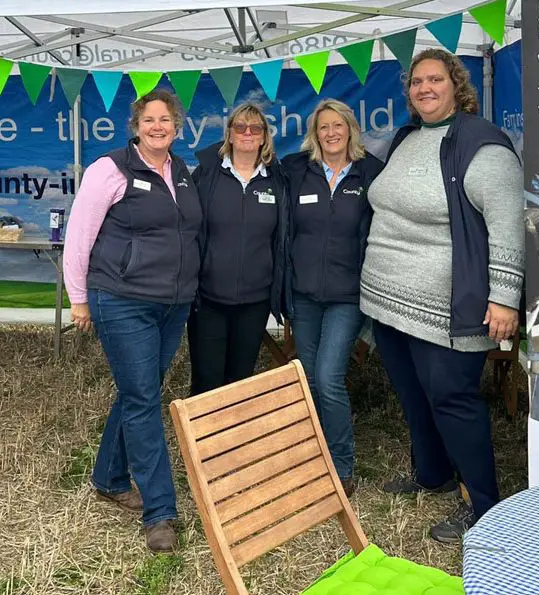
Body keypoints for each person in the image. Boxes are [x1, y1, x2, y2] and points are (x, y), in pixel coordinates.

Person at [360, 48, 525, 543]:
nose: (424, 88)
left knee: (453, 400)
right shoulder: (408, 138)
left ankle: (483, 506)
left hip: (444, 306)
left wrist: (505, 298)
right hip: (387, 300)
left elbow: (507, 226)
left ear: (457, 85)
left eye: (435, 79)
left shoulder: (483, 146)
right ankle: (431, 474)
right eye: (416, 82)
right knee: (414, 397)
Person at [63, 89, 201, 554]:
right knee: (143, 398)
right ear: (136, 125)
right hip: (121, 299)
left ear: (177, 127)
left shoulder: (182, 173)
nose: (158, 127)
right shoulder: (111, 169)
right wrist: (78, 298)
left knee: (138, 391)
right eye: (149, 120)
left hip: (172, 303)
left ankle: (108, 477)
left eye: (166, 120)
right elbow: (79, 234)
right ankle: (160, 512)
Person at [282, 99, 383, 497]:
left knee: (328, 377)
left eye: (337, 125)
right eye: (323, 126)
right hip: (304, 294)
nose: (331, 133)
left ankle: (341, 465)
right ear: (315, 133)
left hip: (347, 295)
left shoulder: (370, 171)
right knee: (307, 378)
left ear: (350, 129)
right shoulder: (296, 170)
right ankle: (313, 455)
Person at [187, 102, 287, 395]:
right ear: (229, 135)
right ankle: (203, 440)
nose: (247, 132)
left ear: (263, 138)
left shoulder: (277, 182)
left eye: (255, 128)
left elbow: (282, 238)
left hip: (255, 301)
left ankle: (232, 439)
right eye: (239, 127)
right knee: (207, 381)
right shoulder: (206, 176)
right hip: (208, 300)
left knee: (240, 381)